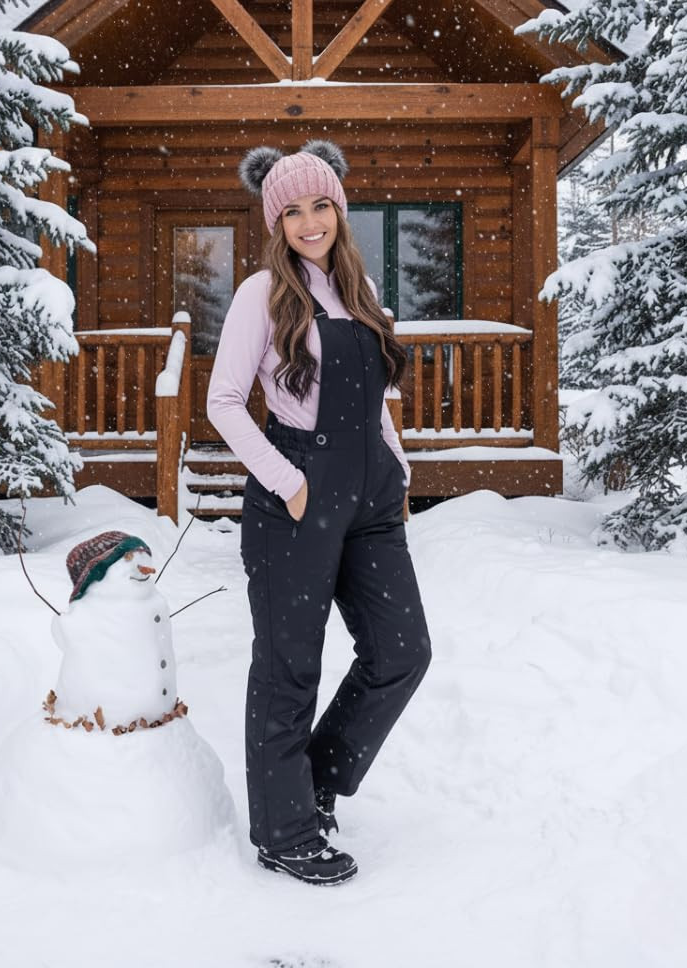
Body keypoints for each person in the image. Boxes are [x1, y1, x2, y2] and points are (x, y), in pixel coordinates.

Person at [206, 140, 431, 886]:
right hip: (294, 495)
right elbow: (225, 403)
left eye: (321, 204)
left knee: (402, 652)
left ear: (340, 208)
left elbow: (374, 398)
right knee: (287, 670)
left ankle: (316, 778)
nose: (310, 221)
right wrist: (289, 483)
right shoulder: (260, 294)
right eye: (293, 209)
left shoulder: (356, 292)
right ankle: (284, 829)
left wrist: (397, 464)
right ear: (277, 220)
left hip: (368, 494)